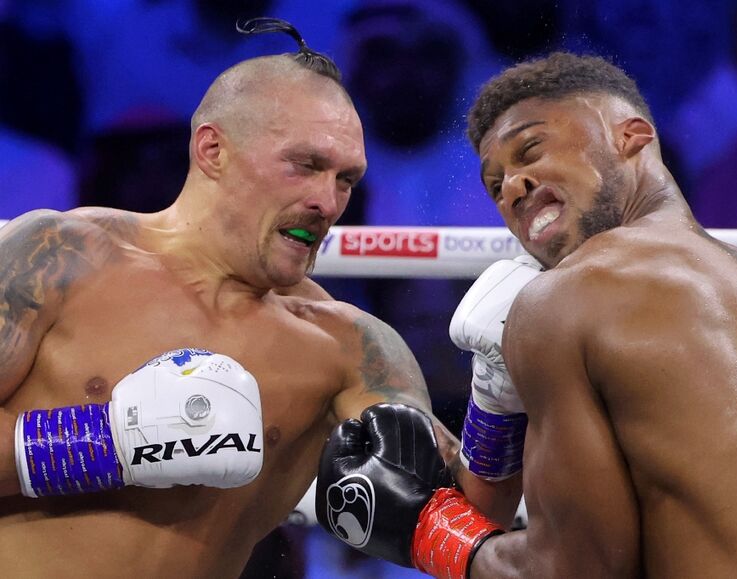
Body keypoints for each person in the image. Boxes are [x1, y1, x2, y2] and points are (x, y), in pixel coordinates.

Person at [315, 51, 737, 578]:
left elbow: (576, 571)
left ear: (632, 137)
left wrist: (428, 530)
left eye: (530, 150)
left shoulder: (571, 296)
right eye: (494, 185)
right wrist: (492, 407)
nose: (512, 186)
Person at [0, 22, 476, 579]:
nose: (327, 202)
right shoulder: (60, 257)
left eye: (346, 179)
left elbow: (463, 524)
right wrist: (111, 441)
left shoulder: (348, 348)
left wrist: (496, 397)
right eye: (306, 165)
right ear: (212, 149)